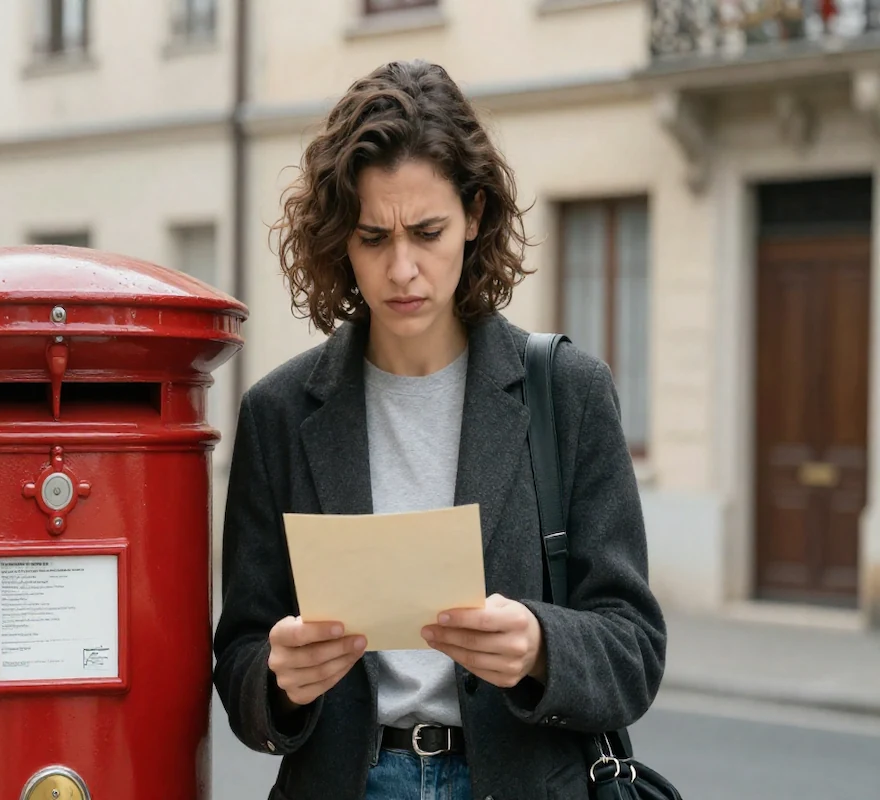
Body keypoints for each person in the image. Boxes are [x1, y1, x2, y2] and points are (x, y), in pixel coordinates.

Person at [212, 59, 666, 800]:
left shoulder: (568, 393)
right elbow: (239, 659)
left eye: (428, 233)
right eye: (372, 237)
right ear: (340, 238)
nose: (402, 270)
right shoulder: (279, 413)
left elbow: (635, 650)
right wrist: (278, 678)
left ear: (475, 214)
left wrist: (541, 647)